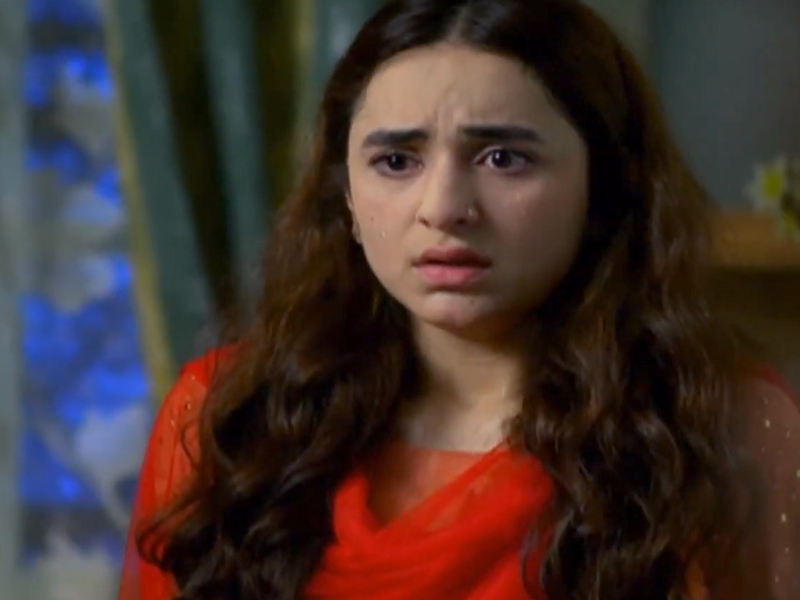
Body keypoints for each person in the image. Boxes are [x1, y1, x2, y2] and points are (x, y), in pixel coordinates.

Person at [119, 1, 800, 599]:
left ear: (605, 185)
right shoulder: (230, 423)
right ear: (346, 197)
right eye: (396, 161)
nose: (443, 208)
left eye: (503, 158)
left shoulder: (722, 430)